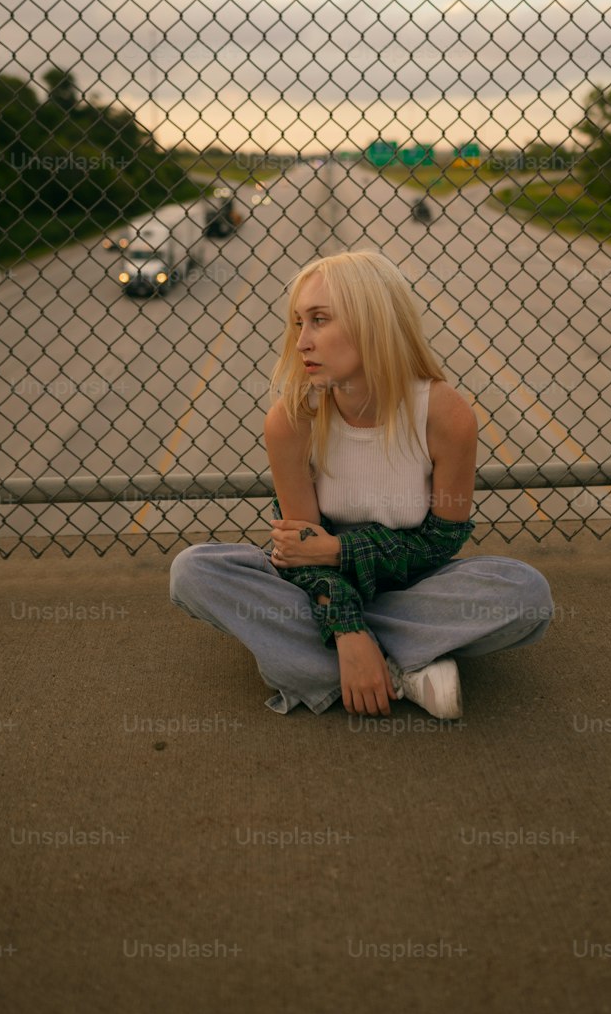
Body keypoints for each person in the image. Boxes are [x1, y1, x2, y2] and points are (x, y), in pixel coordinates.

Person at [169, 250, 554, 718]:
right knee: (194, 571)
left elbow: (439, 543)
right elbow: (298, 555)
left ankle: (316, 664)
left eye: (319, 320)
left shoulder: (444, 414)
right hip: (315, 585)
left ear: (373, 323)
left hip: (408, 583)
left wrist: (339, 552)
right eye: (297, 323)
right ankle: (404, 671)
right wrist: (347, 627)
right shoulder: (292, 421)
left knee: (526, 593)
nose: (301, 342)